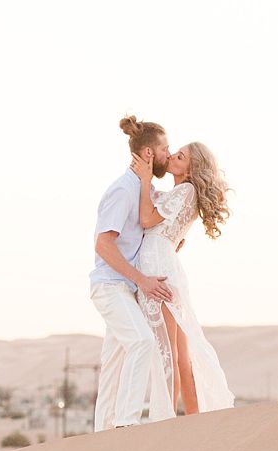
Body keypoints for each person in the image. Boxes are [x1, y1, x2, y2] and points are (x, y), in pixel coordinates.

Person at [130, 141, 236, 415]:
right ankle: (192, 418)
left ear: (191, 168)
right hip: (163, 261)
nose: (174, 157)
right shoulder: (180, 192)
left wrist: (144, 180)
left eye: (180, 156)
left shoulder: (185, 191)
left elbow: (146, 219)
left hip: (158, 267)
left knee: (168, 349)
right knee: (179, 353)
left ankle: (166, 418)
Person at [89, 116, 176, 431]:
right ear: (149, 154)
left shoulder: (143, 189)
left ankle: (104, 431)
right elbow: (103, 244)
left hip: (126, 288)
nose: (169, 154)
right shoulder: (123, 190)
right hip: (111, 286)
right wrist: (143, 281)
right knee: (142, 342)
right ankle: (126, 425)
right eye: (165, 148)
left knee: (114, 362)